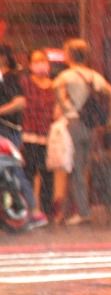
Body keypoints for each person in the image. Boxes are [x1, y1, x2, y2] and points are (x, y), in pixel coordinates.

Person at [53, 38, 111, 226]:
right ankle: (82, 208)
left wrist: (65, 106)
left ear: (70, 55)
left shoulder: (67, 75)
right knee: (82, 167)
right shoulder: (93, 75)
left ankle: (81, 211)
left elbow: (55, 86)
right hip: (90, 126)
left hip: (73, 123)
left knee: (74, 168)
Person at [0, 45, 46, 229]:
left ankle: (32, 211)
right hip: (7, 129)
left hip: (7, 130)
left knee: (13, 171)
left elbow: (20, 102)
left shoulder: (9, 77)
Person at [20, 49, 57, 217]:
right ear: (30, 65)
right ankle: (28, 208)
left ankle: (46, 210)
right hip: (29, 134)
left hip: (49, 136)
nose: (40, 63)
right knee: (29, 171)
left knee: (47, 174)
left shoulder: (55, 85)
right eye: (36, 61)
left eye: (42, 60)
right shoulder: (25, 83)